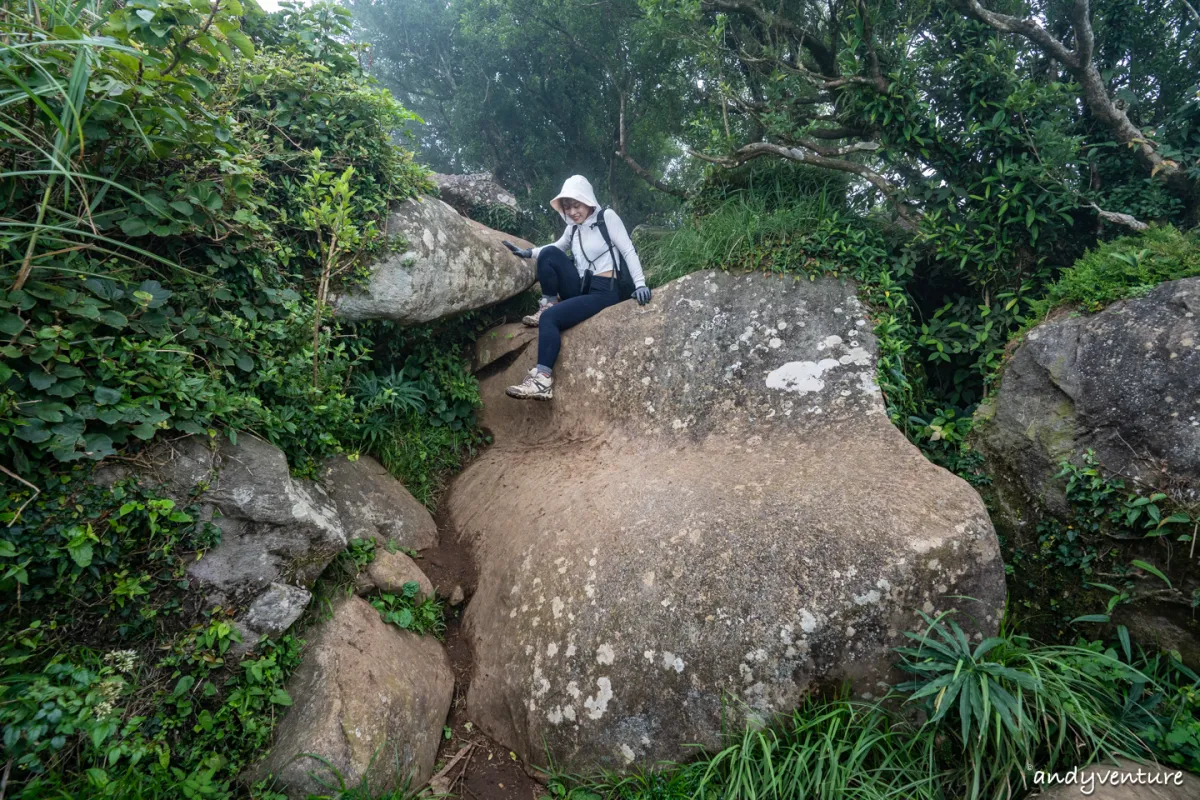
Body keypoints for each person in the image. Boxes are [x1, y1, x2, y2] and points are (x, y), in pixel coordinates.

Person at [501, 175, 651, 401]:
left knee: (550, 319)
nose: (572, 212)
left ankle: (542, 380)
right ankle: (548, 303)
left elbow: (628, 250)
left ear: (587, 200)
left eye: (576, 205)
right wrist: (529, 253)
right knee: (549, 254)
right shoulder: (573, 229)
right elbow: (556, 247)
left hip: (604, 292)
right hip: (582, 288)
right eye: (567, 207)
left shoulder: (606, 217)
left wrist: (640, 284)